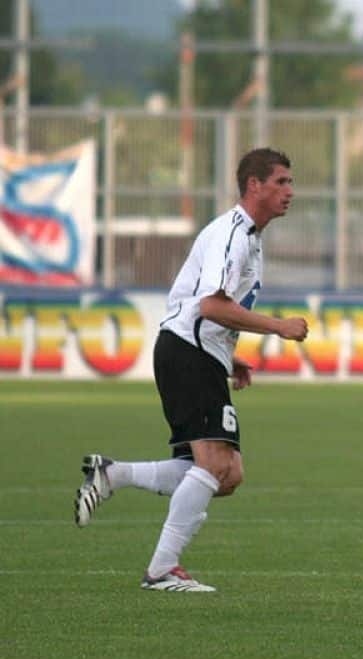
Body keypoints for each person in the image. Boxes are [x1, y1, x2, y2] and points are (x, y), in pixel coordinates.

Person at [73, 148, 308, 591]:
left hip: (195, 351)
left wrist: (228, 354)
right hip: (189, 353)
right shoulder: (233, 234)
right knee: (216, 465)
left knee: (226, 473)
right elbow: (211, 304)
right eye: (281, 182)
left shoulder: (249, 237)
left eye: (291, 183)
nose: (289, 191)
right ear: (253, 185)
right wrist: (277, 327)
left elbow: (195, 304)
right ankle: (162, 569)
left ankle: (113, 474)